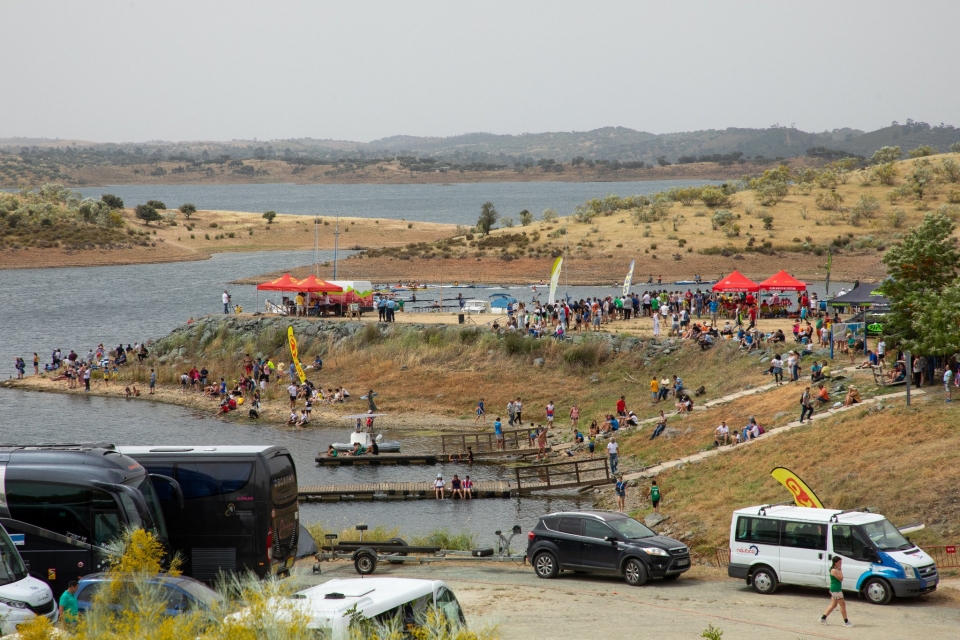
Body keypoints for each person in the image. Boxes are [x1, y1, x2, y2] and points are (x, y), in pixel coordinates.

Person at [820, 556, 853, 627]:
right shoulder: (834, 570)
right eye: (839, 562)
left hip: (835, 589)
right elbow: (841, 578)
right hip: (836, 590)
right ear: (835, 563)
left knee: (833, 605)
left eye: (841, 562)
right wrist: (840, 570)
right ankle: (846, 621)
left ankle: (823, 618)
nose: (841, 563)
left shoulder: (835, 570)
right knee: (842, 605)